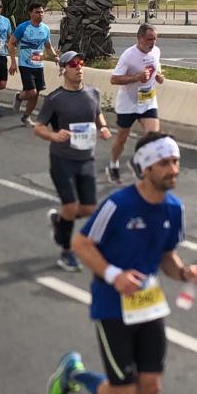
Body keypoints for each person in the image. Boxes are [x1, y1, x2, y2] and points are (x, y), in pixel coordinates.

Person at [47, 132, 197, 394]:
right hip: (112, 305)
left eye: (176, 162)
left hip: (149, 306)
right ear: (144, 167)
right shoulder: (118, 205)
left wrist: (185, 273)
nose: (173, 169)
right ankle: (73, 374)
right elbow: (80, 242)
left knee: (150, 387)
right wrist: (113, 274)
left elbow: (167, 256)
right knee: (122, 393)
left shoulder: (174, 209)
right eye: (165, 163)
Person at [35, 51, 112, 270]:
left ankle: (59, 222)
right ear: (63, 69)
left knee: (88, 209)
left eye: (81, 63)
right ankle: (66, 252)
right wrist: (53, 135)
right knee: (70, 206)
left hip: (86, 158)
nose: (79, 67)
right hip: (62, 159)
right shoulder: (54, 99)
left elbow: (97, 114)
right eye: (73, 64)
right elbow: (39, 127)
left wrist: (103, 126)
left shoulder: (93, 93)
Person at [106, 24, 165, 183]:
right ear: (139, 39)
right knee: (122, 137)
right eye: (149, 39)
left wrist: (159, 76)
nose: (152, 42)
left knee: (153, 136)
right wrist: (136, 77)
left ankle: (137, 161)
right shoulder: (128, 55)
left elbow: (155, 69)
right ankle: (113, 164)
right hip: (128, 103)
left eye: (154, 39)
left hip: (147, 101)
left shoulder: (156, 51)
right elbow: (114, 79)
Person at [9, 2, 56, 124]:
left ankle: (26, 117)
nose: (40, 14)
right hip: (25, 64)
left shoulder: (45, 29)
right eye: (37, 12)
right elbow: (11, 43)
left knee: (36, 94)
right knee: (31, 92)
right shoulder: (23, 27)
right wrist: (13, 62)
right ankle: (19, 97)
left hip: (38, 64)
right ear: (30, 13)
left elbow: (48, 46)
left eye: (42, 12)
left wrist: (56, 57)